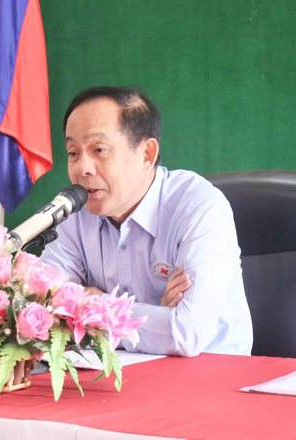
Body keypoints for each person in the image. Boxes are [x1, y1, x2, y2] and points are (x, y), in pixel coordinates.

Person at [41, 86, 253, 357]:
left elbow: (186, 333)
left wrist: (92, 301)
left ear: (146, 155)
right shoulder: (74, 213)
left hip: (212, 374)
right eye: (73, 153)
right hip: (115, 374)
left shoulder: (198, 208)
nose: (83, 168)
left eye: (99, 149)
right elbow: (46, 307)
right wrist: (156, 318)